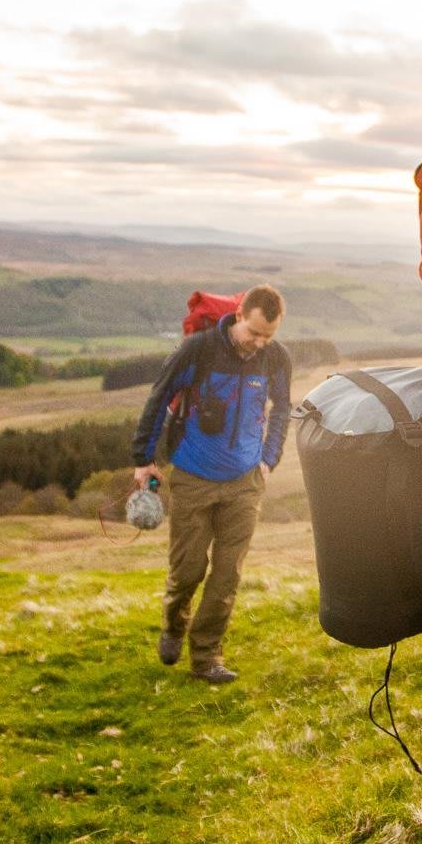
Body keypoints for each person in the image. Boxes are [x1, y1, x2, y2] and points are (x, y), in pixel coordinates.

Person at [129, 285, 293, 684]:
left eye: (267, 336)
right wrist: (144, 460)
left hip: (245, 482)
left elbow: (283, 407)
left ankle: (206, 658)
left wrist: (270, 459)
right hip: (193, 475)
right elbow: (160, 395)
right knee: (188, 570)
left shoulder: (275, 358)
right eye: (254, 333)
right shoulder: (199, 350)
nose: (259, 343)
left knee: (226, 576)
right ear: (239, 315)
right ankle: (173, 625)